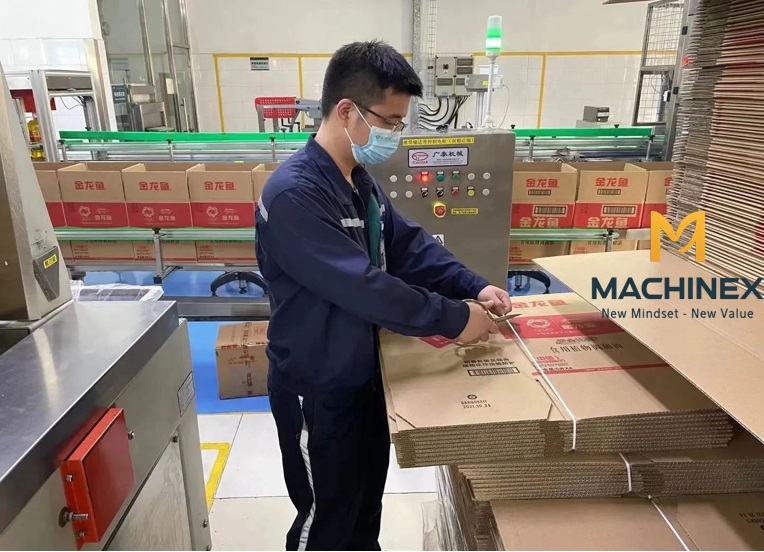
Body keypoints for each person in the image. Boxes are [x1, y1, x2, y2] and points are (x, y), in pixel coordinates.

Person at [255, 40, 512, 551]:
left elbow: (409, 246)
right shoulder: (294, 194)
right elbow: (363, 287)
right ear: (346, 111)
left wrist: (473, 285)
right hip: (319, 386)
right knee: (326, 519)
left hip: (364, 377)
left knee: (364, 506)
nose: (394, 134)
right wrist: (455, 318)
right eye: (389, 121)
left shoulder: (358, 183)